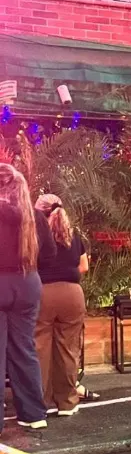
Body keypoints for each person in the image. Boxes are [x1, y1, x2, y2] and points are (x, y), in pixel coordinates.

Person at [0, 163, 56, 432]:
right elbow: (49, 255)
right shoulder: (36, 217)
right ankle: (34, 414)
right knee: (24, 349)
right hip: (28, 282)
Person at [33, 195, 89, 417]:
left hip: (43, 293)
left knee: (40, 350)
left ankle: (40, 403)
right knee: (68, 349)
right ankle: (67, 402)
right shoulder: (72, 234)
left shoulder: (34, 235)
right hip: (72, 294)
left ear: (40, 212)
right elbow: (83, 266)